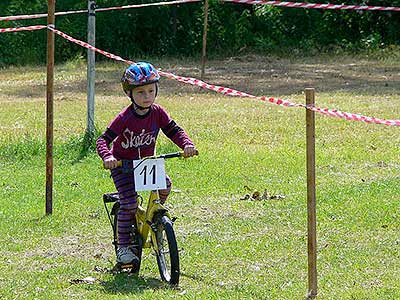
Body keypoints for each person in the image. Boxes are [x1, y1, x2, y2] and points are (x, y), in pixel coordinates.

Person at [96, 62, 197, 265]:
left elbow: (174, 131)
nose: (147, 96)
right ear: (130, 94)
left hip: (147, 164)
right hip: (123, 167)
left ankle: (154, 218)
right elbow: (102, 140)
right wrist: (108, 157)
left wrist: (187, 144)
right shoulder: (124, 118)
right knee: (129, 204)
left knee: (166, 186)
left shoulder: (158, 113)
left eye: (151, 90)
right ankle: (124, 246)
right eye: (141, 92)